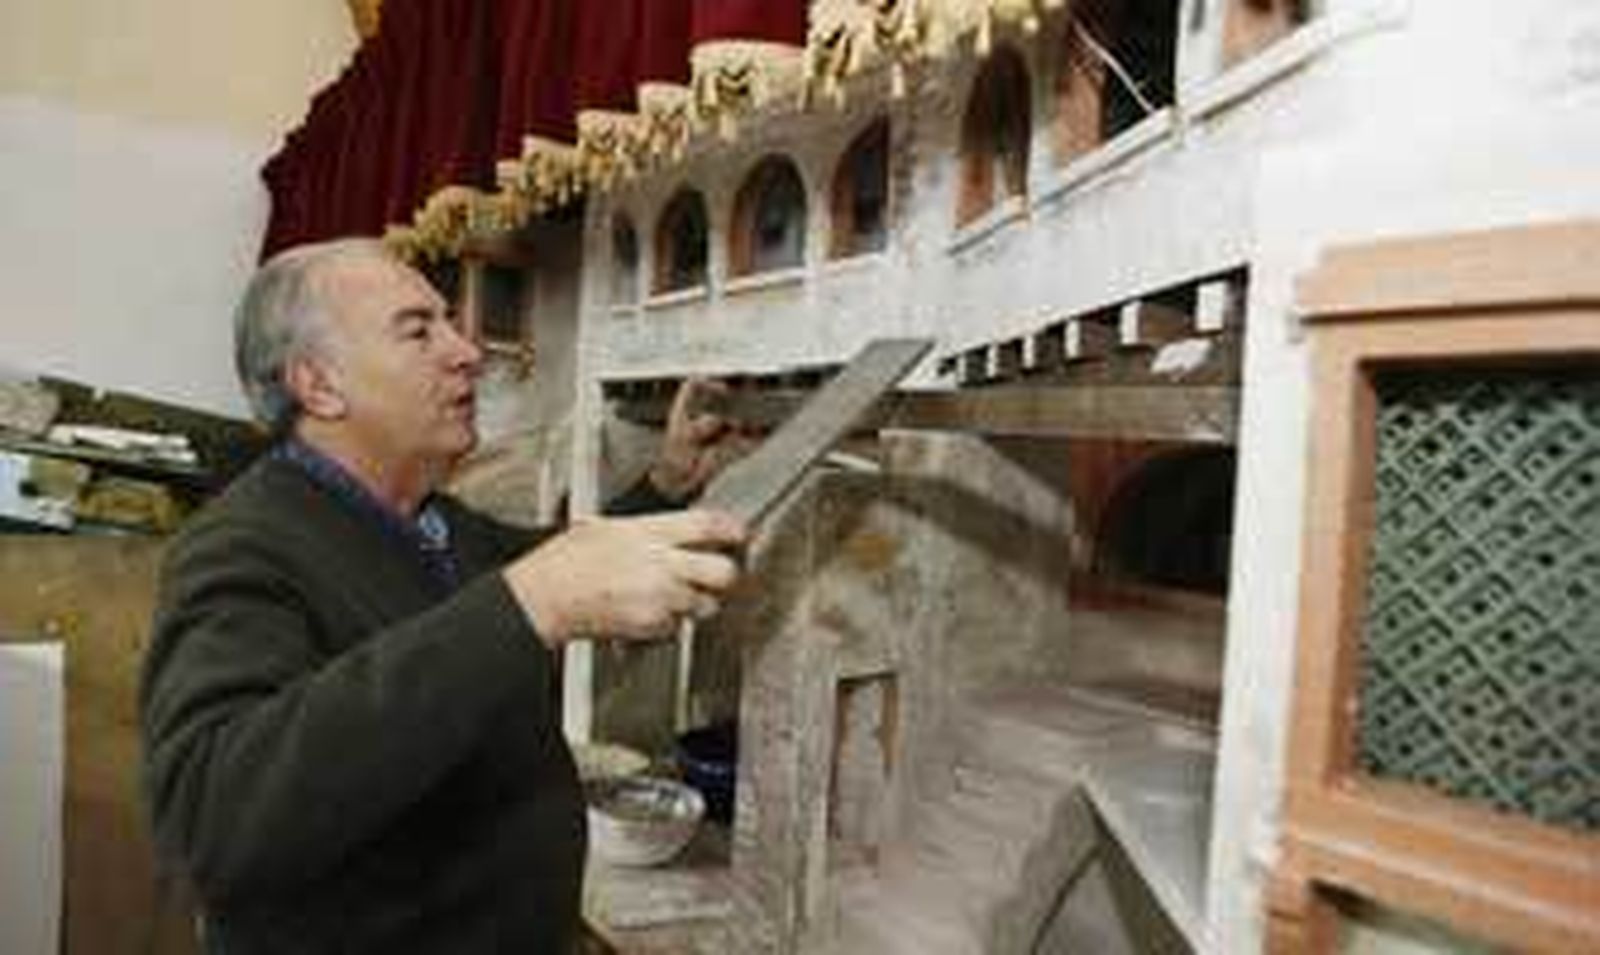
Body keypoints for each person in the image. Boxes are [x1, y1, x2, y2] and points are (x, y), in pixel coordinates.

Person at [139, 238, 748, 953]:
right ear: (320, 385)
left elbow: (549, 571)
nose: (468, 351)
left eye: (450, 323)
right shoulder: (240, 545)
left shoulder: (432, 520)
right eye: (418, 330)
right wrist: (530, 603)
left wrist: (668, 483)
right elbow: (215, 816)